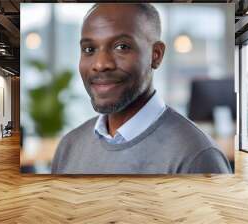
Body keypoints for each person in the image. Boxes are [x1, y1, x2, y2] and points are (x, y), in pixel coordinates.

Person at [51, 3, 232, 174]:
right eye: (89, 49)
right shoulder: (69, 146)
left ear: (156, 55)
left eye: (122, 47)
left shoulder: (196, 156)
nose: (100, 64)